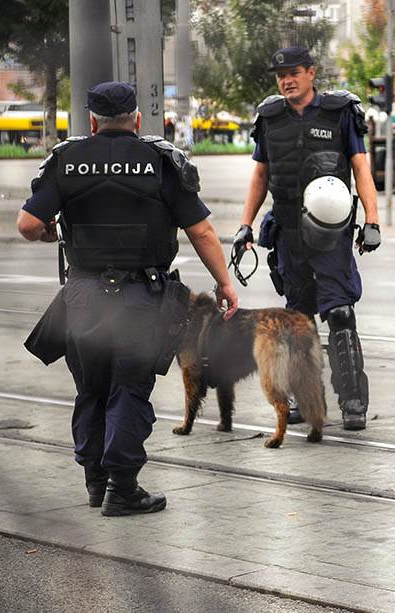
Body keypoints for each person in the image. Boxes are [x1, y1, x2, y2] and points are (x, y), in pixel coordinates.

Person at [17, 81, 239, 516]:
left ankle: (96, 483)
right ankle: (123, 488)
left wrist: (47, 231)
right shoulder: (161, 161)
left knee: (91, 391)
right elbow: (201, 231)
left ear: (92, 121)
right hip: (142, 299)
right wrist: (225, 283)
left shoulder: (67, 159)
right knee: (130, 391)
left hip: (82, 299)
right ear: (137, 119)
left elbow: (27, 224)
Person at [233, 47, 381, 431]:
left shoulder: (339, 113)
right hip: (288, 233)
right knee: (298, 319)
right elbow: (260, 175)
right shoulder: (270, 117)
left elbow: (361, 169)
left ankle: (352, 401)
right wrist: (245, 226)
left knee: (340, 313)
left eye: (294, 72)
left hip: (331, 233)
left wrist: (372, 220)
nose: (286, 80)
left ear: (312, 73)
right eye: (280, 74)